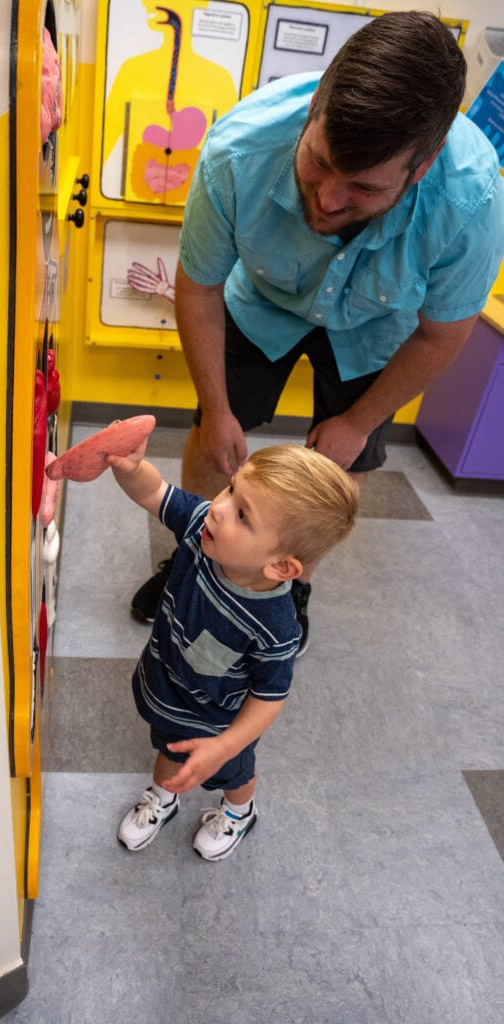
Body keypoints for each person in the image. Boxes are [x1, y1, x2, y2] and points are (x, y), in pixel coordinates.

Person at [130, 11, 504, 653]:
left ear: (423, 165)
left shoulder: (470, 202)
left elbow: (440, 337)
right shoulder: (238, 150)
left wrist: (358, 423)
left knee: (345, 459)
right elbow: (200, 288)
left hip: (375, 325)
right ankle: (192, 557)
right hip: (262, 303)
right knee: (212, 433)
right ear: (314, 110)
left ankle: (289, 580)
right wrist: (218, 411)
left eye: (362, 187)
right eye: (317, 162)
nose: (328, 201)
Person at [109, 437, 359, 860]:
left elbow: (269, 696)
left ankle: (239, 812)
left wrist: (225, 746)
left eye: (243, 515)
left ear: (281, 567)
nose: (218, 507)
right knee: (167, 744)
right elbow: (154, 491)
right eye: (230, 488)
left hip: (218, 727)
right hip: (167, 690)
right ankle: (163, 796)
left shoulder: (276, 626)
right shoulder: (200, 527)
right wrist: (130, 468)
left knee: (234, 774)